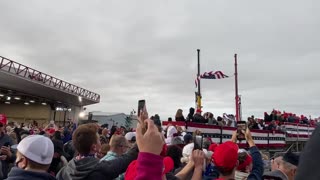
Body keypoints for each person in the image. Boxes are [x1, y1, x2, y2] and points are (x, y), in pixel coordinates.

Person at [56, 123, 139, 180]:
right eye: (98, 140)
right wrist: (140, 141)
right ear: (94, 147)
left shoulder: (64, 171)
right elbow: (126, 160)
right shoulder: (100, 169)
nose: (101, 142)